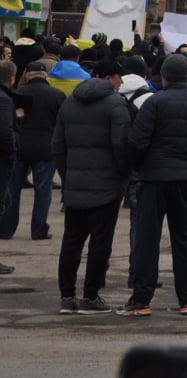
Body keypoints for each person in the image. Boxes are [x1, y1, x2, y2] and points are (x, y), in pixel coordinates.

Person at [121, 54, 187, 317]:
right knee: (186, 239)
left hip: (154, 178)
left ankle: (142, 300)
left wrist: (140, 166)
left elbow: (137, 141)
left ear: (164, 77)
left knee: (148, 239)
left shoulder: (155, 103)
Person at [52, 65, 132, 313]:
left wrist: (68, 177)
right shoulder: (115, 105)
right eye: (119, 79)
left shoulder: (69, 103)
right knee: (100, 242)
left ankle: (67, 297)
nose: (120, 84)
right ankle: (90, 296)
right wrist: (123, 175)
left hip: (75, 184)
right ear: (110, 78)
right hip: (106, 186)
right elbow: (121, 145)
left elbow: (58, 145)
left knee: (72, 241)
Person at [2, 60, 65, 240]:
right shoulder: (57, 95)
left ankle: (6, 229)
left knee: (13, 189)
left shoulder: (16, 94)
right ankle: (38, 230)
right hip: (46, 148)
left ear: (27, 76)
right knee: (43, 190)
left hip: (19, 148)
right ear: (46, 76)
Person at [0, 61, 15, 275]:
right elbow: (4, 132)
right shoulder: (4, 101)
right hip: (2, 161)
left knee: (7, 201)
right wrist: (12, 154)